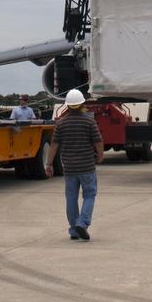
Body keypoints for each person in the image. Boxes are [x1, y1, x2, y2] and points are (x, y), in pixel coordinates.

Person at [45, 89, 104, 240]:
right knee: (89, 195)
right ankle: (82, 223)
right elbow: (98, 141)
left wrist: (48, 164)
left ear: (68, 105)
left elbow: (54, 145)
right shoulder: (89, 121)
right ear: (82, 103)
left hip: (69, 168)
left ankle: (73, 230)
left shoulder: (61, 123)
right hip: (87, 167)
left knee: (71, 198)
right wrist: (100, 156)